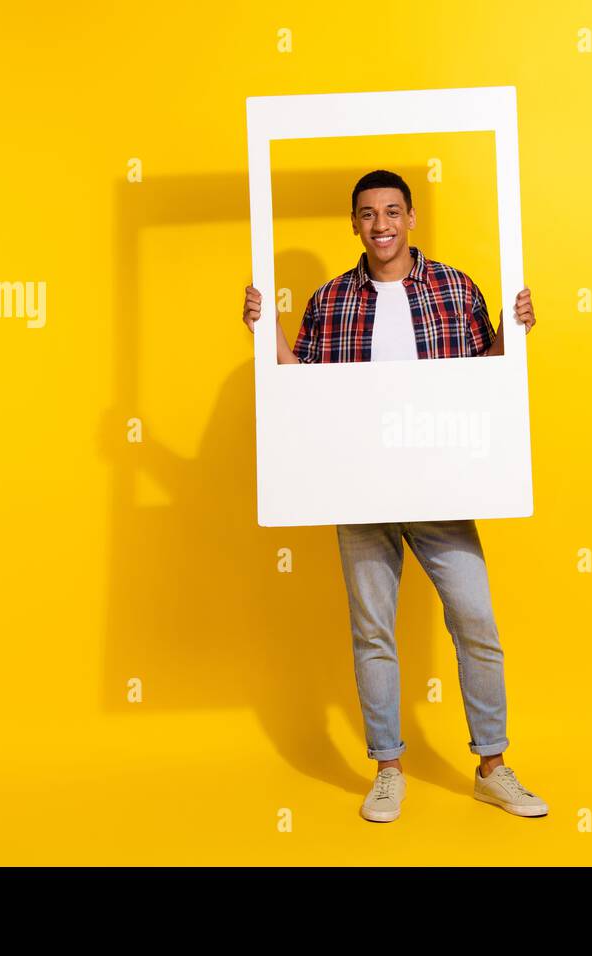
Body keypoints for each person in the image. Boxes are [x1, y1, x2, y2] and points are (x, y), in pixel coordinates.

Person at [241, 169, 546, 823]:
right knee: (372, 632)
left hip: (439, 487)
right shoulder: (329, 300)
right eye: (367, 214)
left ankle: (493, 766)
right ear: (354, 224)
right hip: (359, 491)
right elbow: (303, 388)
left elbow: (483, 376)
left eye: (392, 212)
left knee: (476, 623)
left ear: (410, 218)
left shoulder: (453, 286)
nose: (380, 225)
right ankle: (387, 769)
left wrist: (513, 335)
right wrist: (263, 332)